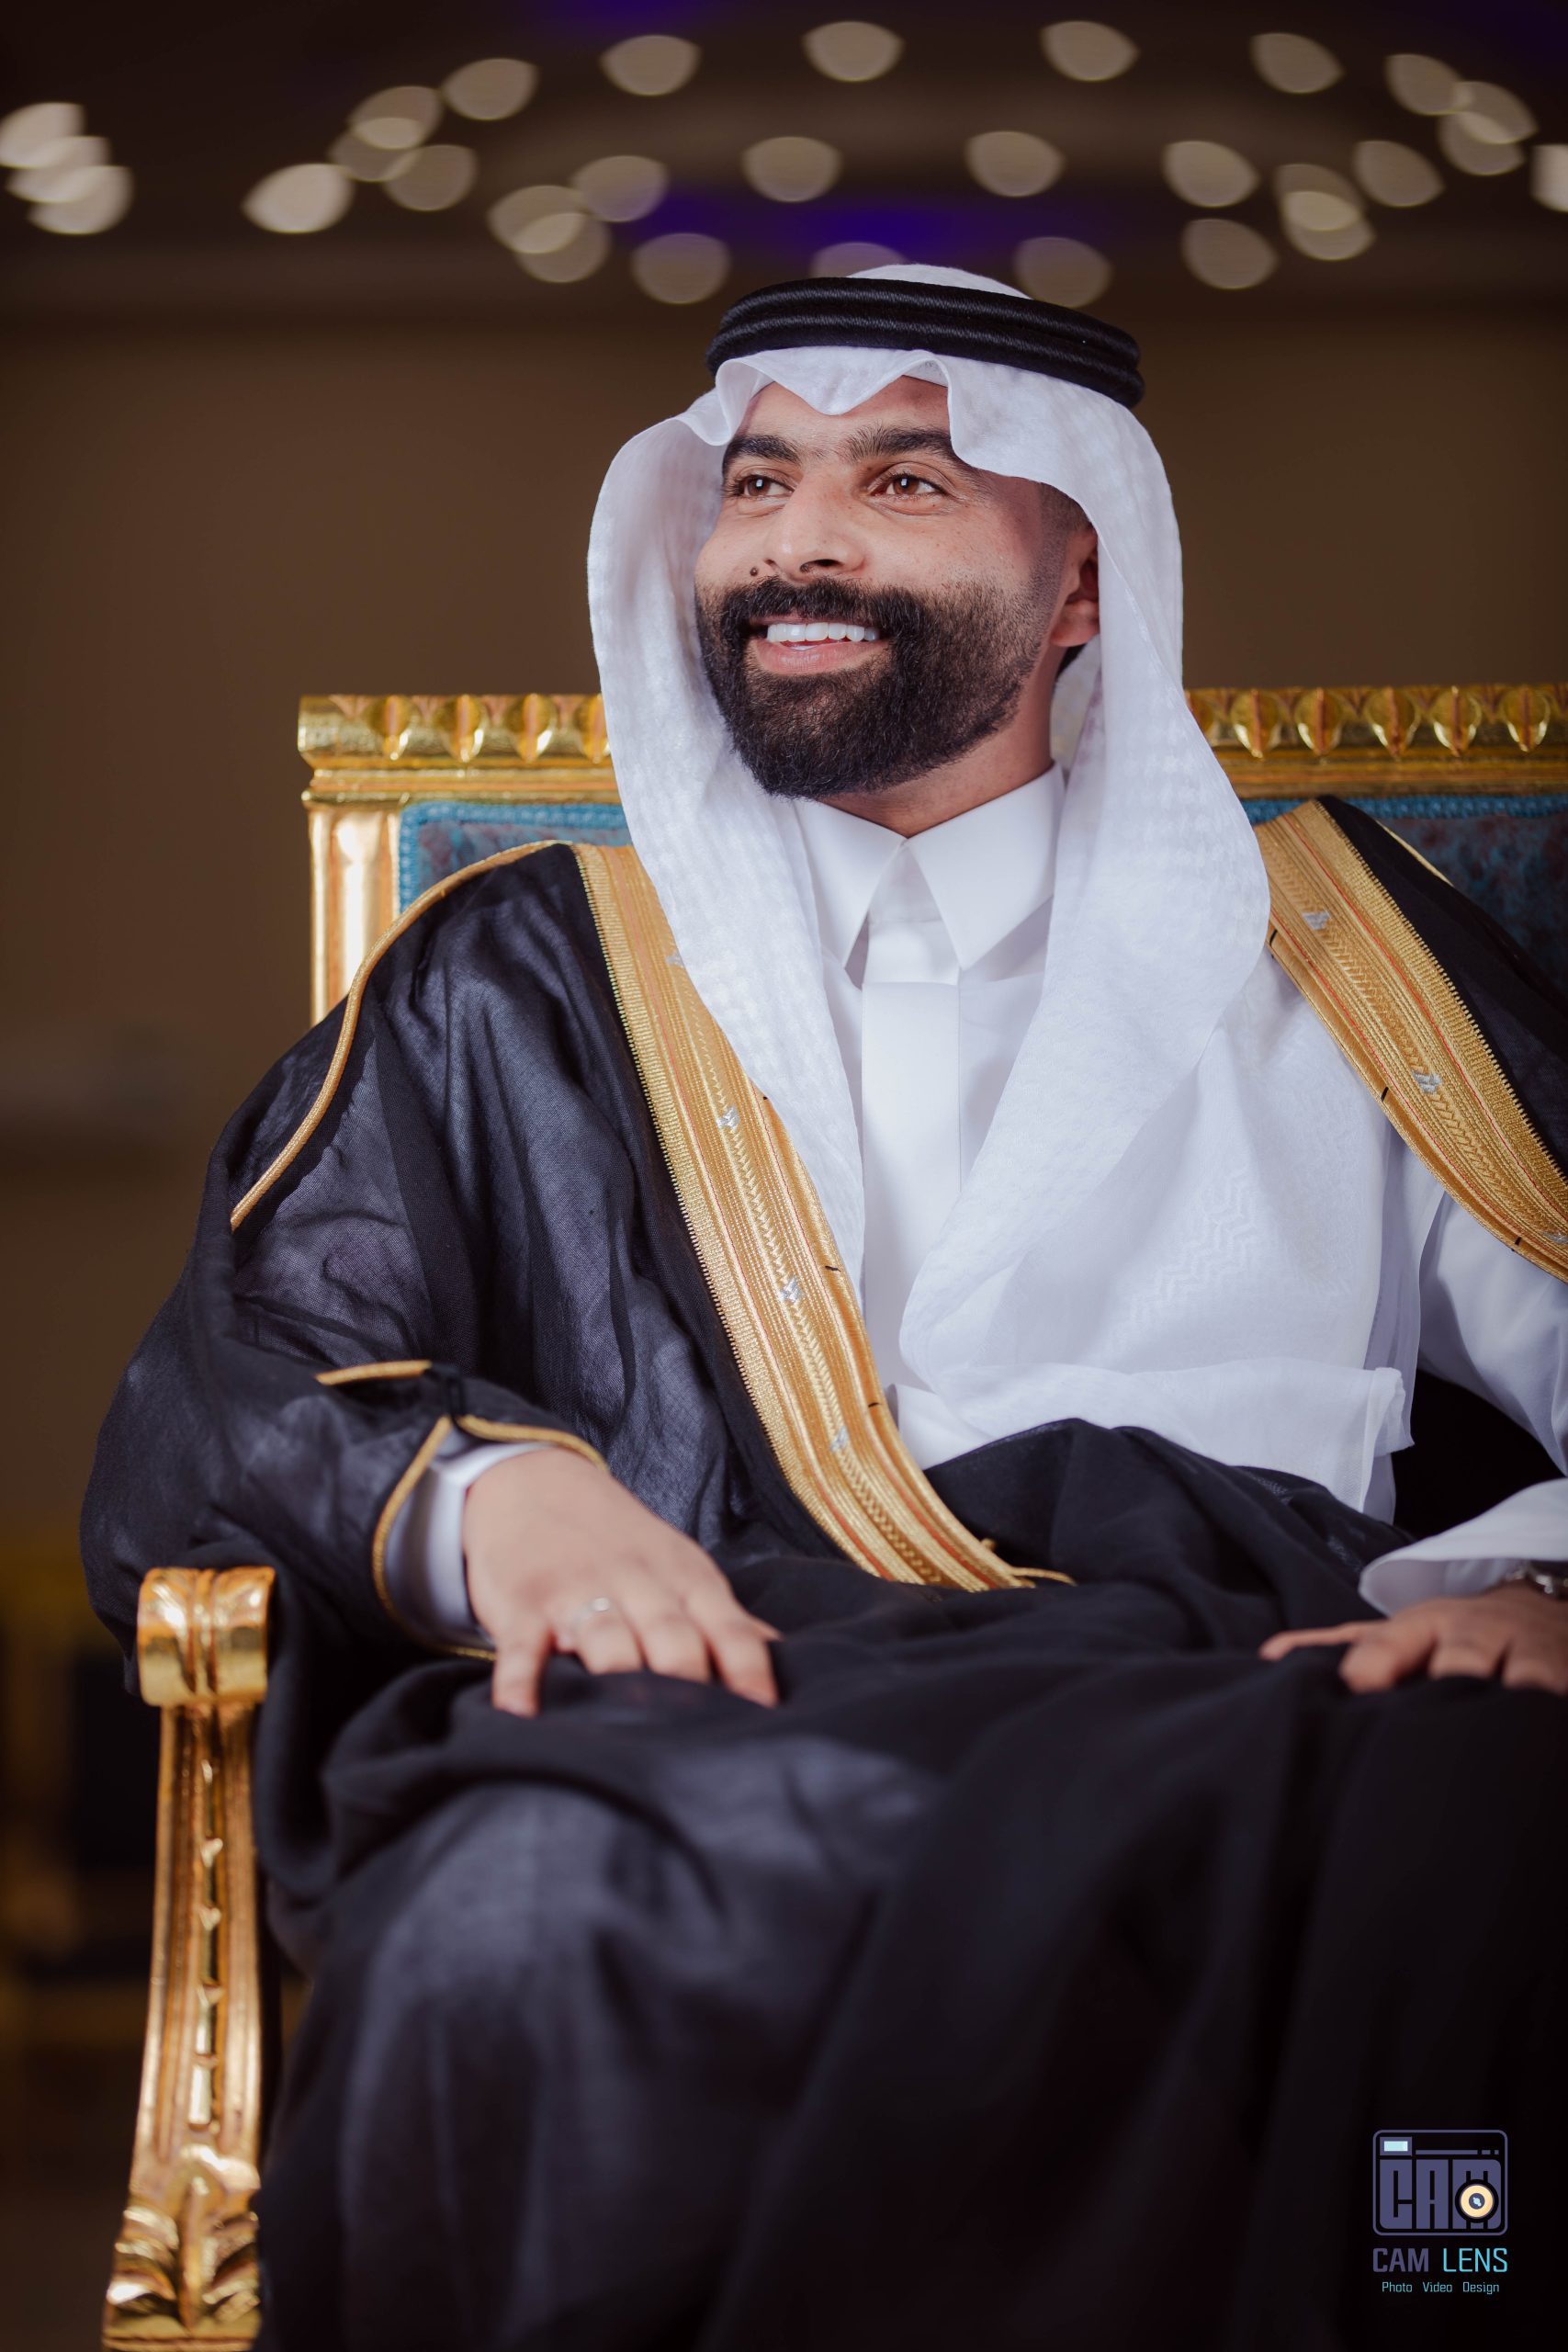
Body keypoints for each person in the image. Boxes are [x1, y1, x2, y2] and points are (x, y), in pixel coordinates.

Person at [85, 267, 1567, 2352]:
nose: (799, 540)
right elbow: (248, 1360)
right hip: (728, 1702)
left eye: (903, 481)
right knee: (524, 1909)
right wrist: (497, 1501)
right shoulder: (524, 973)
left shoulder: (1338, 958)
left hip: (1268, 1696)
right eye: (759, 480)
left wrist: (1542, 1585)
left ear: (1079, 580)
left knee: (1484, 1861)